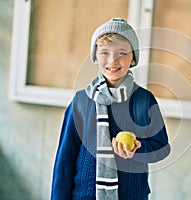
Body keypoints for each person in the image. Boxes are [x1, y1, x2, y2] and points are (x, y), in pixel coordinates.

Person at [51, 18, 170, 200]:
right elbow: (64, 160)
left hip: (132, 196)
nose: (112, 60)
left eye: (121, 52)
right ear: (96, 57)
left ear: (133, 58)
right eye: (105, 52)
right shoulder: (81, 102)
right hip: (84, 196)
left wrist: (138, 149)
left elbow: (162, 147)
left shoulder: (144, 100)